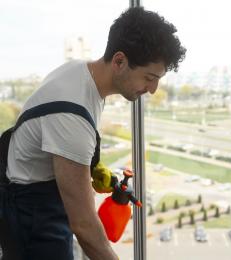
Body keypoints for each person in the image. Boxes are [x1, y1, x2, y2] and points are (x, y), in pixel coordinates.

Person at [0, 6, 186, 260]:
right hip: (33, 218)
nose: (153, 89)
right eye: (149, 77)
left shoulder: (79, 72)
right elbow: (85, 226)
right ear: (120, 61)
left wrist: (88, 167)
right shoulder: (72, 114)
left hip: (40, 194)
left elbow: (55, 141)